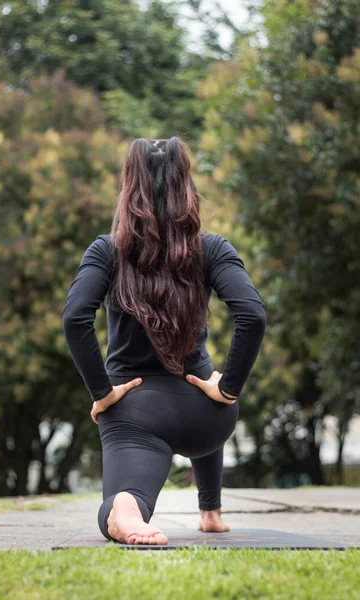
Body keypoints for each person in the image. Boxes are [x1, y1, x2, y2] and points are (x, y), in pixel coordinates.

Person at [62, 136, 266, 546]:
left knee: (129, 499)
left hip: (135, 409)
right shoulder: (213, 248)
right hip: (208, 417)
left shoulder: (107, 251)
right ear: (187, 187)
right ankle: (211, 512)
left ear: (128, 187)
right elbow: (253, 314)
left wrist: (102, 393)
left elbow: (74, 317)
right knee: (202, 374)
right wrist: (227, 390)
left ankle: (127, 512)